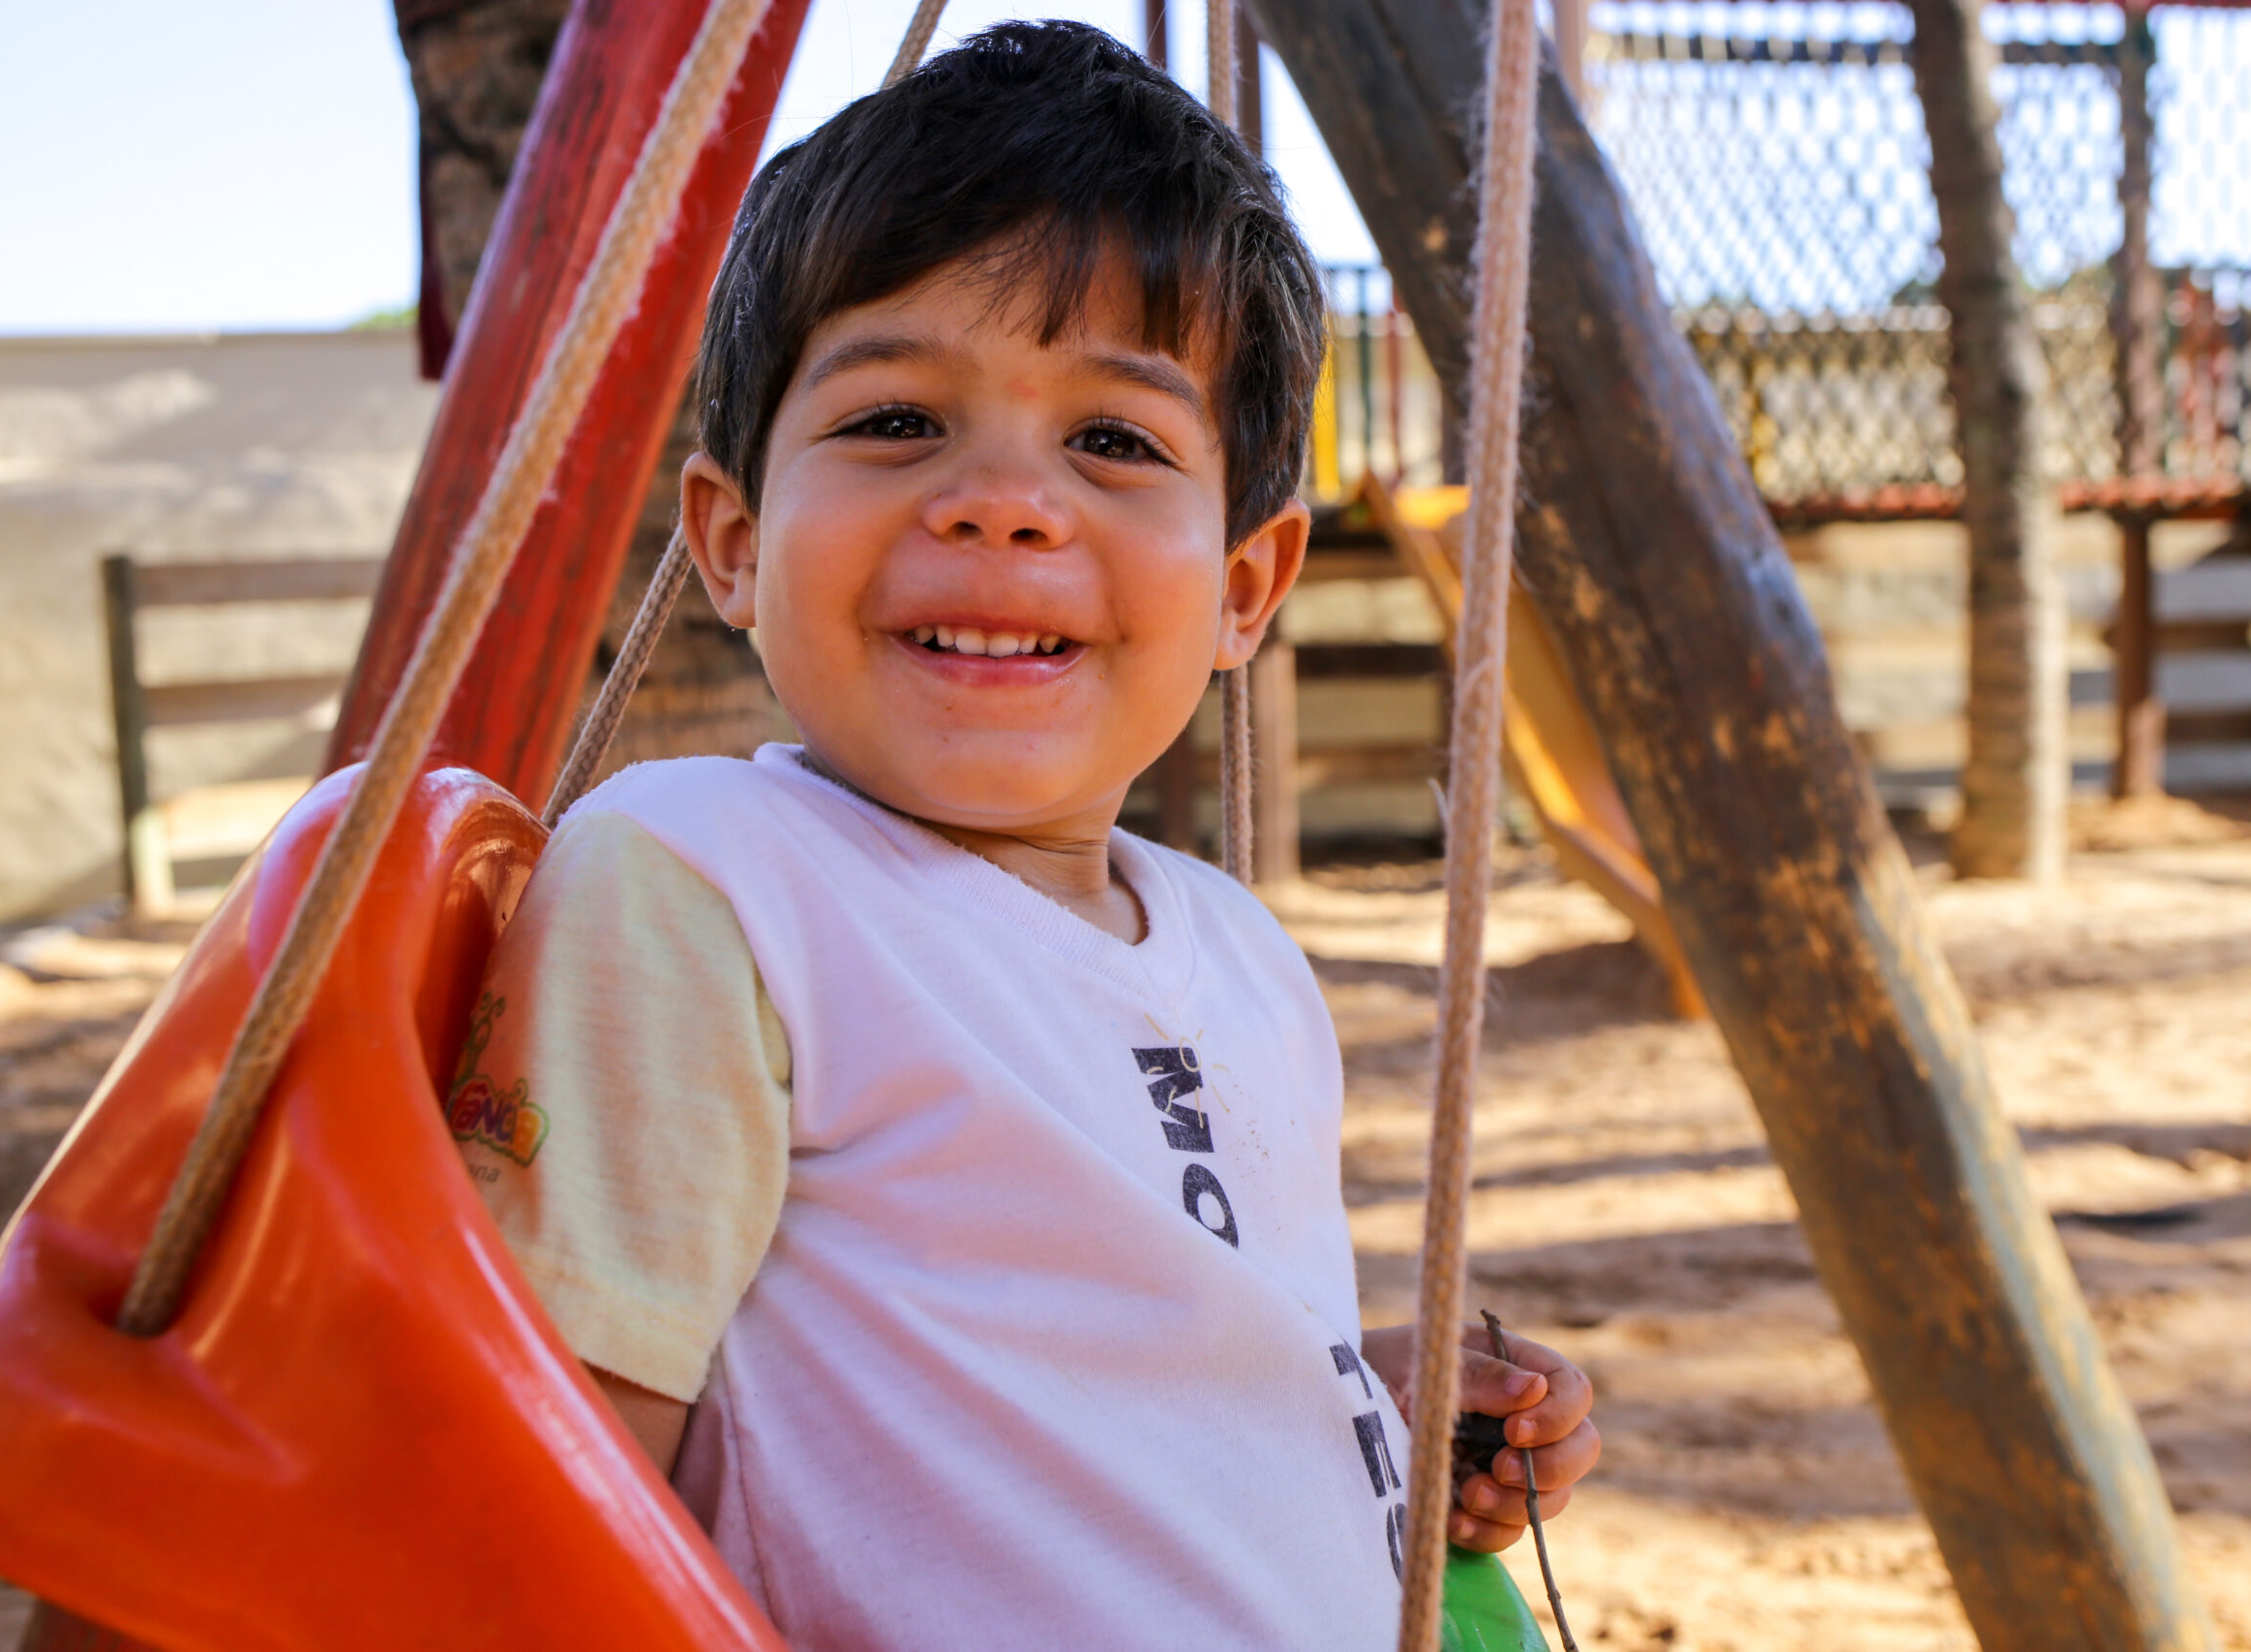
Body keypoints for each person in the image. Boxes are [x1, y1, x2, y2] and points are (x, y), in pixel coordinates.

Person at [448, 20, 1597, 1647]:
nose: (1001, 501)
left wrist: (1372, 1413)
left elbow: (1148, 1355)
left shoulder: (1243, 953)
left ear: (1244, 589)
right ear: (729, 538)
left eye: (1113, 441)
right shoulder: (711, 880)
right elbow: (553, 1474)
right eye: (897, 420)